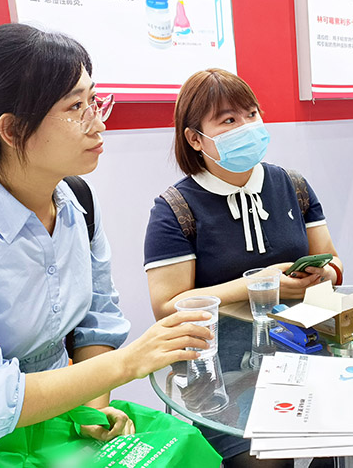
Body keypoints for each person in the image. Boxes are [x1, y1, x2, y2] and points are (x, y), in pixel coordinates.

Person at [0, 24, 215, 468]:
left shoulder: (77, 202)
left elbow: (96, 322)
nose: (98, 122)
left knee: (191, 450)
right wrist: (129, 363)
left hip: (60, 424)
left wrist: (91, 410)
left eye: (94, 100)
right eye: (76, 107)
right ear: (12, 130)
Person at [143, 68, 342, 467]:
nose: (247, 127)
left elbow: (333, 262)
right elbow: (167, 306)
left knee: (346, 439)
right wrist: (258, 285)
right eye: (229, 120)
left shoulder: (292, 185)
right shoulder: (175, 209)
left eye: (251, 114)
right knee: (263, 460)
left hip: (305, 351)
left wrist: (324, 274)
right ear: (195, 138)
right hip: (222, 373)